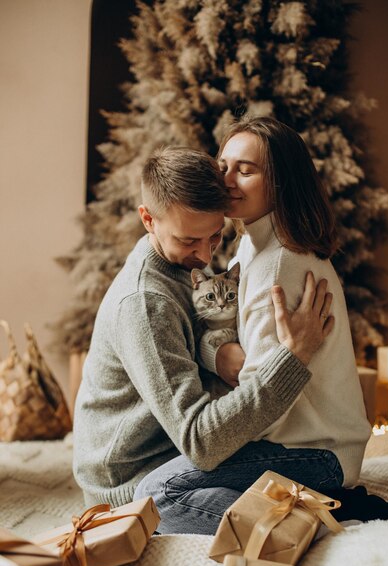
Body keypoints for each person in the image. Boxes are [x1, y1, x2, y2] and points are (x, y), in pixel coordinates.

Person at [137, 118, 388, 531]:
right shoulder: (252, 243)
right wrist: (220, 355)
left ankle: (317, 519)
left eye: (246, 170)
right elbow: (229, 346)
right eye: (224, 164)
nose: (227, 179)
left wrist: (229, 373)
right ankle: (298, 506)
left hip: (316, 453)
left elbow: (259, 408)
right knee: (175, 475)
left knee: (159, 492)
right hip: (299, 444)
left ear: (281, 182)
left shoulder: (279, 266)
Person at [72, 145, 334, 510]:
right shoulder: (146, 303)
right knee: (216, 497)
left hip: (172, 457)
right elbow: (202, 442)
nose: (206, 255)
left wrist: (214, 351)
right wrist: (294, 356)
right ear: (148, 219)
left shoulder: (179, 265)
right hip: (131, 486)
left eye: (215, 236)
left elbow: (188, 341)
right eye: (188, 240)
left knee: (263, 494)